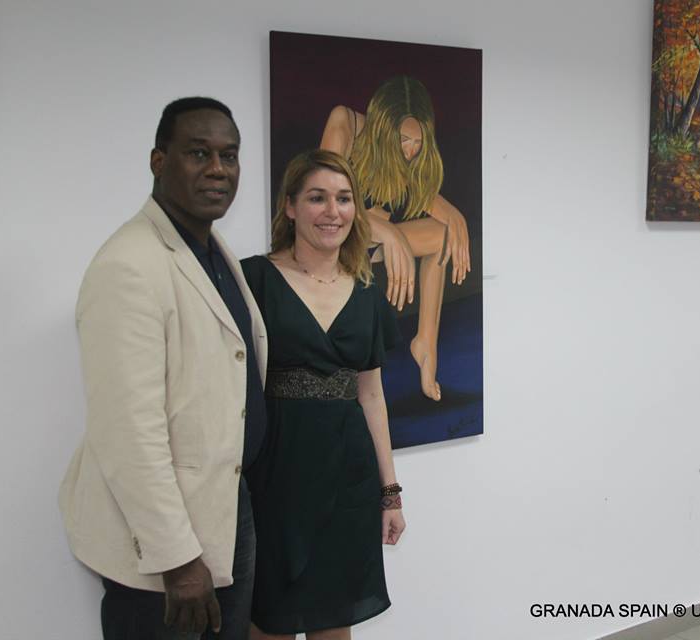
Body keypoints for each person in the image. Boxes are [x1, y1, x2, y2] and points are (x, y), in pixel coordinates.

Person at [58, 97, 268, 640]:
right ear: (159, 161)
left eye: (229, 155)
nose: (218, 169)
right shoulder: (127, 264)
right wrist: (176, 559)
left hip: (227, 510)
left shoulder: (211, 248)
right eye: (198, 153)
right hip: (166, 547)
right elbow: (127, 431)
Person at [241, 149, 405, 640]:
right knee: (267, 621)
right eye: (317, 198)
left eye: (344, 198)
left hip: (347, 479)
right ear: (290, 206)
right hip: (274, 476)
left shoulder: (366, 289)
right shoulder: (254, 280)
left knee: (334, 623)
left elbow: (371, 396)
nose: (333, 212)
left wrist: (390, 494)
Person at [320, 75, 472, 401]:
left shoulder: (403, 159)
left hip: (366, 244)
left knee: (443, 234)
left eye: (418, 143)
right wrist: (387, 232)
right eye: (404, 140)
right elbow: (324, 206)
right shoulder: (345, 124)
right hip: (330, 246)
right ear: (384, 128)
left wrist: (455, 217)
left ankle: (425, 342)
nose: (411, 151)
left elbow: (428, 199)